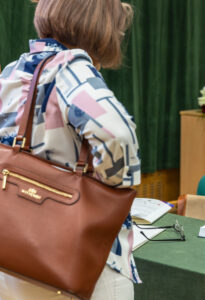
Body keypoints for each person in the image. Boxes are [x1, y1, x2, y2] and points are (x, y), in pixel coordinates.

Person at [0, 0, 140, 299]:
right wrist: (113, 192)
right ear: (100, 26)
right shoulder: (72, 71)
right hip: (75, 257)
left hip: (14, 251)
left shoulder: (15, 70)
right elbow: (117, 135)